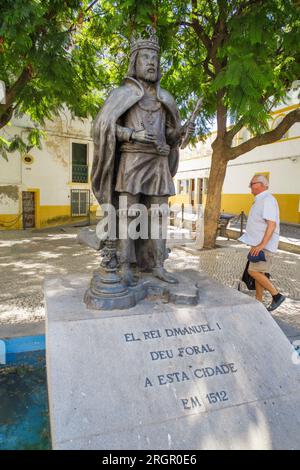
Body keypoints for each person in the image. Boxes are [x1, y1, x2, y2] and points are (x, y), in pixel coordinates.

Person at [92, 28, 194, 286]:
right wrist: (130, 134)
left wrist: (179, 133)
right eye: (146, 57)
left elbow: (170, 136)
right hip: (131, 161)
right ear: (135, 62)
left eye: (155, 59)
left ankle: (157, 265)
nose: (151, 62)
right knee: (128, 215)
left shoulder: (166, 99)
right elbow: (102, 127)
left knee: (158, 215)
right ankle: (125, 265)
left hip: (158, 163)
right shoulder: (121, 95)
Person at [239, 174, 286, 311]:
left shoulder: (268, 200)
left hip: (263, 245)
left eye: (252, 183)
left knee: (253, 271)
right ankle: (258, 302)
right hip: (258, 244)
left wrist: (261, 246)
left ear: (261, 184)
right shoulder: (260, 200)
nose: (250, 186)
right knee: (260, 272)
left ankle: (277, 296)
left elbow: (271, 225)